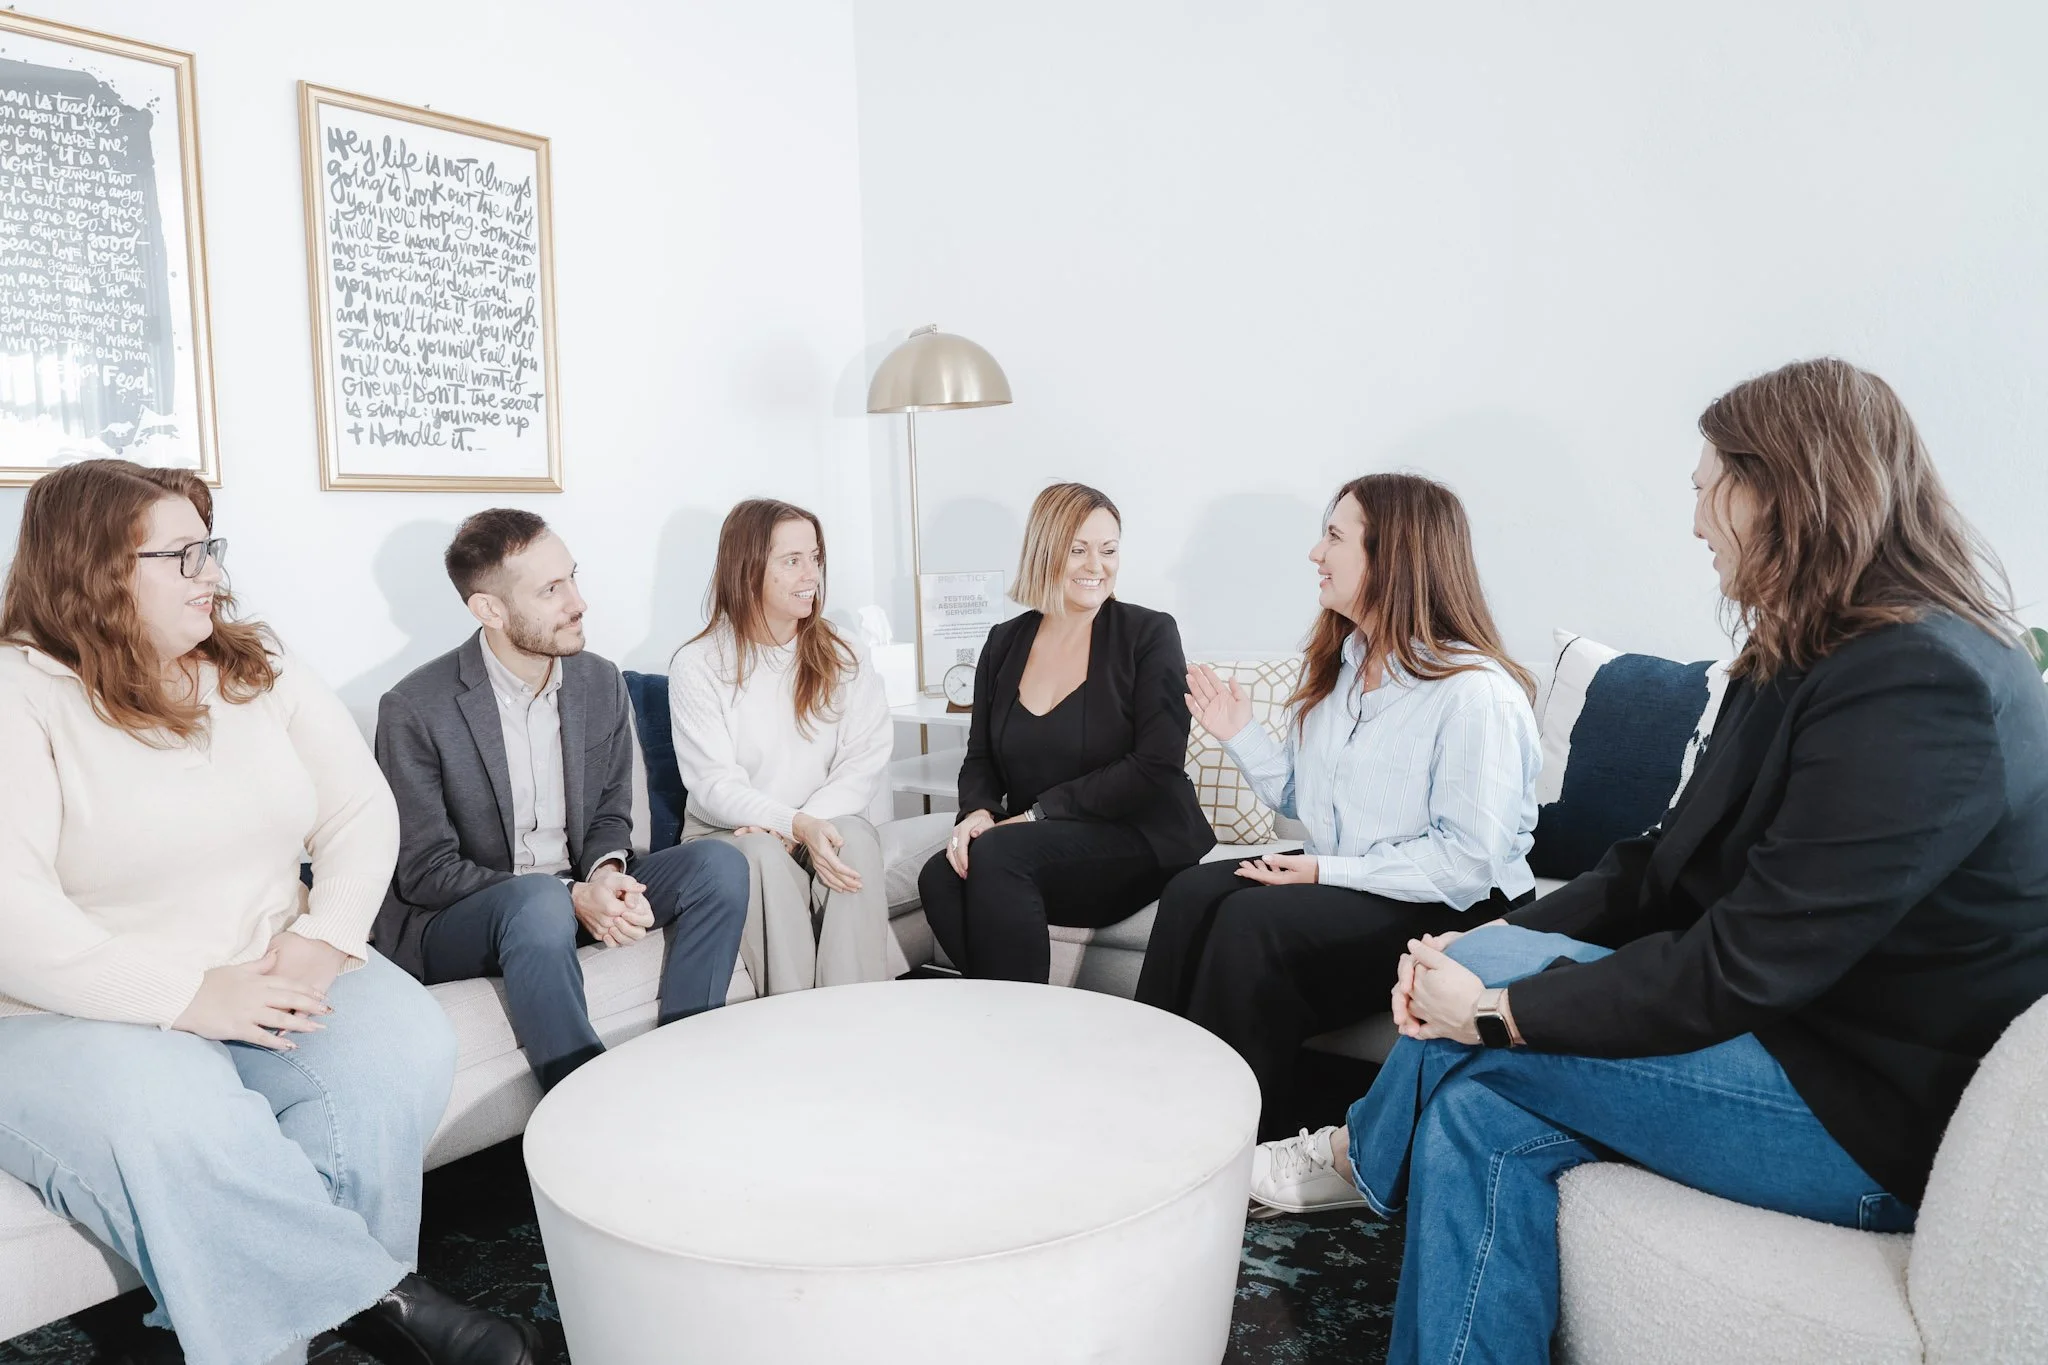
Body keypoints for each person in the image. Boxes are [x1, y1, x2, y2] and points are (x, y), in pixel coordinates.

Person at [1248, 359, 2048, 1365]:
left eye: (1704, 487)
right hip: (1785, 1038)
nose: (1696, 522)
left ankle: (1357, 1153)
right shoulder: (1805, 650)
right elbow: (1656, 866)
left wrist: (1488, 1011)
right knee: (1476, 1116)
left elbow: (1741, 965)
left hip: (1861, 1113)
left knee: (1467, 1052)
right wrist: (1490, 941)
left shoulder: (1921, 679)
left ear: (1779, 490)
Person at [0, 461, 535, 1365]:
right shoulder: (22, 692)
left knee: (399, 1041)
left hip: (263, 961)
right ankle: (380, 1301)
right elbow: (12, 914)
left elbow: (359, 812)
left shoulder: (256, 663)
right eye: (183, 555)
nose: (212, 572)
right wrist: (184, 996)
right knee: (179, 1113)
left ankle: (307, 1329)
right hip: (62, 1007)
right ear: (93, 568)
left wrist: (325, 939)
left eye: (211, 548)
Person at [1135, 473, 1540, 1138]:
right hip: (1359, 873)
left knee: (1251, 922)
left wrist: (1324, 872)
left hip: (1452, 899)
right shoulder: (1344, 665)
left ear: (1393, 556)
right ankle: (1153, 1099)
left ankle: (1232, 1142)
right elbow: (1305, 800)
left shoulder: (1474, 693)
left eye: (1333, 536)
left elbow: (1468, 862)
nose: (1314, 554)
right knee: (1190, 892)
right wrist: (1241, 733)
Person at [372, 510, 748, 1091]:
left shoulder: (598, 681)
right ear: (489, 610)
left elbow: (608, 815)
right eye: (551, 590)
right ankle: (586, 1106)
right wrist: (567, 895)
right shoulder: (415, 708)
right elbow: (425, 872)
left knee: (719, 865)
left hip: (567, 893)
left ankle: (688, 1066)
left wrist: (607, 873)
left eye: (572, 578)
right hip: (467, 918)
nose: (578, 602)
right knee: (539, 904)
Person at [919, 482, 1214, 982]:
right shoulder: (1004, 641)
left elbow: (1157, 764)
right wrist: (975, 813)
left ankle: (1025, 1030)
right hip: (1046, 845)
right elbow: (980, 757)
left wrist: (1034, 816)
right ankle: (1012, 1015)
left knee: (998, 853)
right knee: (942, 875)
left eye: (1109, 549)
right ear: (1046, 551)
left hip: (1139, 839)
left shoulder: (1149, 634)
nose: (1096, 565)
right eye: (1078, 550)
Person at [669, 499, 895, 992]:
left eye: (815, 558)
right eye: (792, 561)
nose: (811, 574)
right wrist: (790, 824)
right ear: (747, 569)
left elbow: (863, 760)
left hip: (819, 821)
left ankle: (857, 1017)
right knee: (759, 855)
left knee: (852, 839)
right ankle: (796, 1029)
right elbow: (712, 785)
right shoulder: (698, 664)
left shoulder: (845, 652)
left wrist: (806, 827)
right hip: (732, 834)